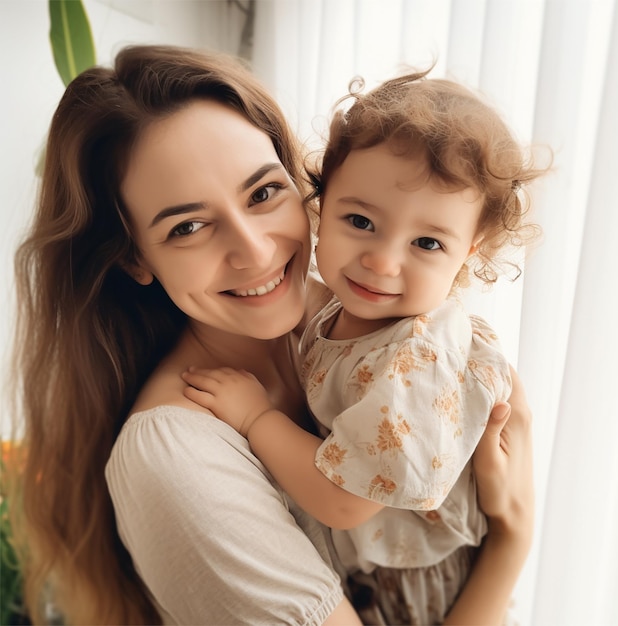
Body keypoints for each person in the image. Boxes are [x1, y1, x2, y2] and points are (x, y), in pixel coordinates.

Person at [9, 45, 534, 626]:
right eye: (188, 226)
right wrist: (512, 543)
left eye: (263, 193)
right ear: (135, 257)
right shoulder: (175, 457)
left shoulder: (366, 321)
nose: (255, 252)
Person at [182, 69, 548, 625]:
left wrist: (256, 416)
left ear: (467, 253)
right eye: (360, 221)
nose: (383, 261)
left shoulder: (418, 357)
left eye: (426, 242)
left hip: (423, 585)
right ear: (319, 208)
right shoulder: (343, 308)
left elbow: (344, 502)